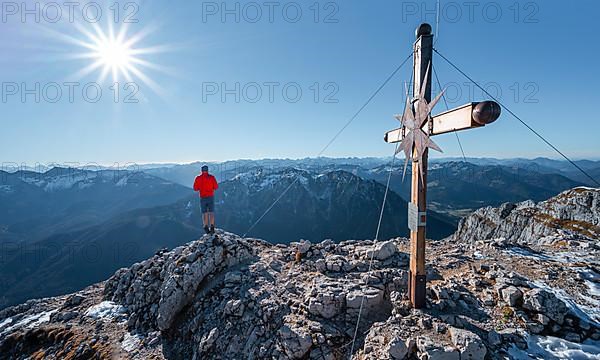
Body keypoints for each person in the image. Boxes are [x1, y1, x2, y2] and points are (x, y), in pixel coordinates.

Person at [193, 165, 219, 234]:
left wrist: (201, 187)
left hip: (203, 197)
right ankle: (212, 227)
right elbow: (216, 187)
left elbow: (195, 188)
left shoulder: (198, 178)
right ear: (207, 170)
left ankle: (206, 226)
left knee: (204, 213)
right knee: (211, 212)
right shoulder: (212, 177)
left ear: (201, 171)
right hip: (210, 196)